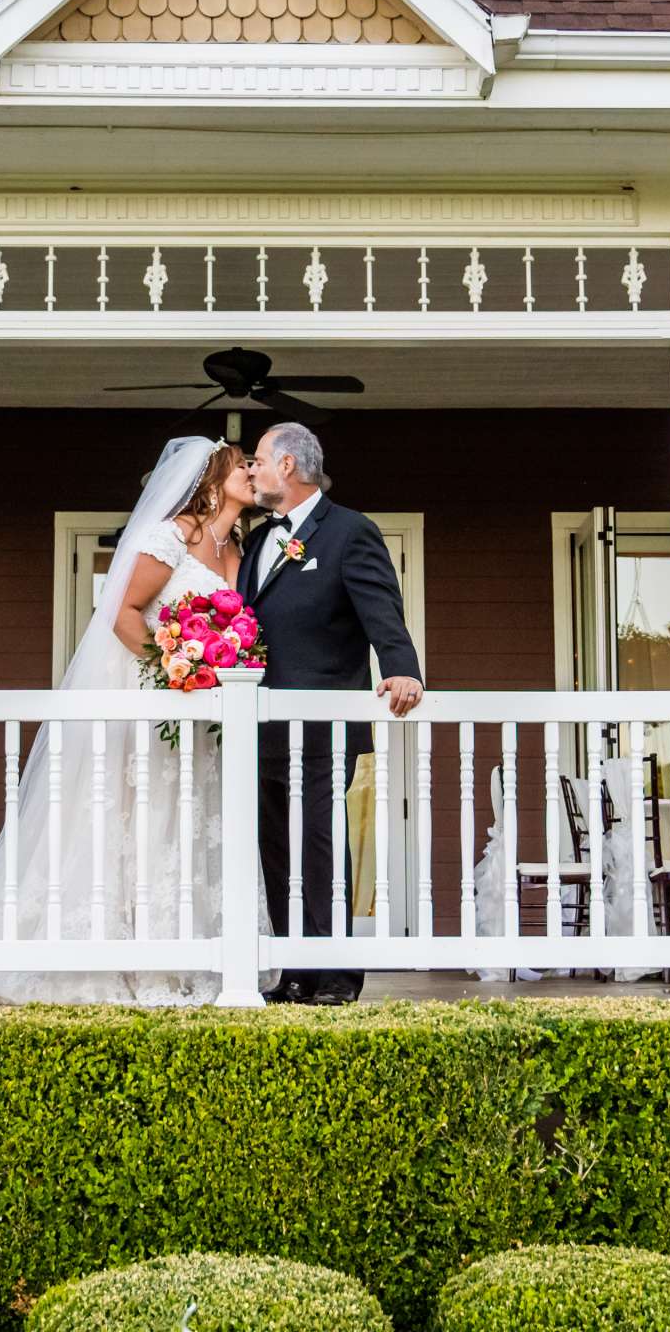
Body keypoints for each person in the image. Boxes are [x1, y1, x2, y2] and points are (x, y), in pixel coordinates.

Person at [0, 435, 257, 1006]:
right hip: (154, 698)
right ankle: (113, 953)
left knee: (187, 821)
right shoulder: (175, 533)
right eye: (242, 466)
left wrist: (215, 666)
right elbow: (122, 612)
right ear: (211, 479)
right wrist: (173, 664)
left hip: (203, 717)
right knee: (136, 815)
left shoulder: (236, 551)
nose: (252, 473)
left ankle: (189, 952)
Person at [242, 421, 423, 1005]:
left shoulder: (349, 532)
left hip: (322, 729)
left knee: (320, 846)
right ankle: (295, 971)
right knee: (276, 849)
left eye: (259, 462)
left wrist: (402, 666)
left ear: (288, 467)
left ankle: (338, 974)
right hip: (261, 726)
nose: (253, 472)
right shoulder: (255, 543)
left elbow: (380, 609)